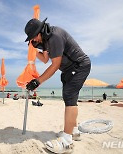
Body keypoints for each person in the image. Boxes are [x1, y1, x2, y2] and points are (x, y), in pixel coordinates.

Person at [24, 18, 91, 153]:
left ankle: (67, 141)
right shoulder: (45, 40)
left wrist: (37, 81)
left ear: (39, 32)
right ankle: (74, 131)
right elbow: (45, 60)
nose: (33, 40)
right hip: (68, 69)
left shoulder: (55, 36)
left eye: (33, 37)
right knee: (69, 98)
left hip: (79, 66)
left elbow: (54, 66)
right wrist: (35, 51)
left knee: (69, 97)